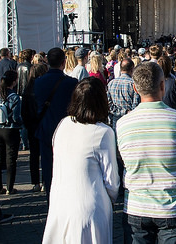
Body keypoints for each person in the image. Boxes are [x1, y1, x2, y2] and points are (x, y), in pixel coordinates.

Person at [117, 62, 176, 243]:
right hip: (174, 207)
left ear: (134, 88)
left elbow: (125, 160)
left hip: (137, 207)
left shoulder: (122, 124)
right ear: (163, 85)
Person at [43, 78, 119, 243]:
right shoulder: (104, 132)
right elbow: (111, 180)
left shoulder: (63, 124)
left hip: (60, 202)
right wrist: (112, 198)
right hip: (91, 207)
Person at [34, 48, 78, 197]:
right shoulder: (71, 83)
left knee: (48, 170)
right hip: (66, 131)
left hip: (45, 129)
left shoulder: (38, 82)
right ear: (63, 62)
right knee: (67, 168)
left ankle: (50, 198)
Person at [0, 70, 23, 195]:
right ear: (14, 81)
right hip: (11, 129)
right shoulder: (14, 97)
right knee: (11, 159)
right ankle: (10, 187)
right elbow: (16, 117)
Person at [20, 62, 48, 192]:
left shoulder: (27, 90)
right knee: (45, 154)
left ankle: (35, 182)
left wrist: (27, 124)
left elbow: (23, 111)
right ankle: (44, 180)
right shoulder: (43, 89)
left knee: (34, 155)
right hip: (43, 125)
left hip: (31, 126)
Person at [107, 58, 140, 128]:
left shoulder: (111, 83)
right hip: (130, 121)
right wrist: (127, 112)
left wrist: (118, 112)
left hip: (116, 120)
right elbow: (136, 104)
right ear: (132, 69)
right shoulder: (133, 84)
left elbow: (109, 105)